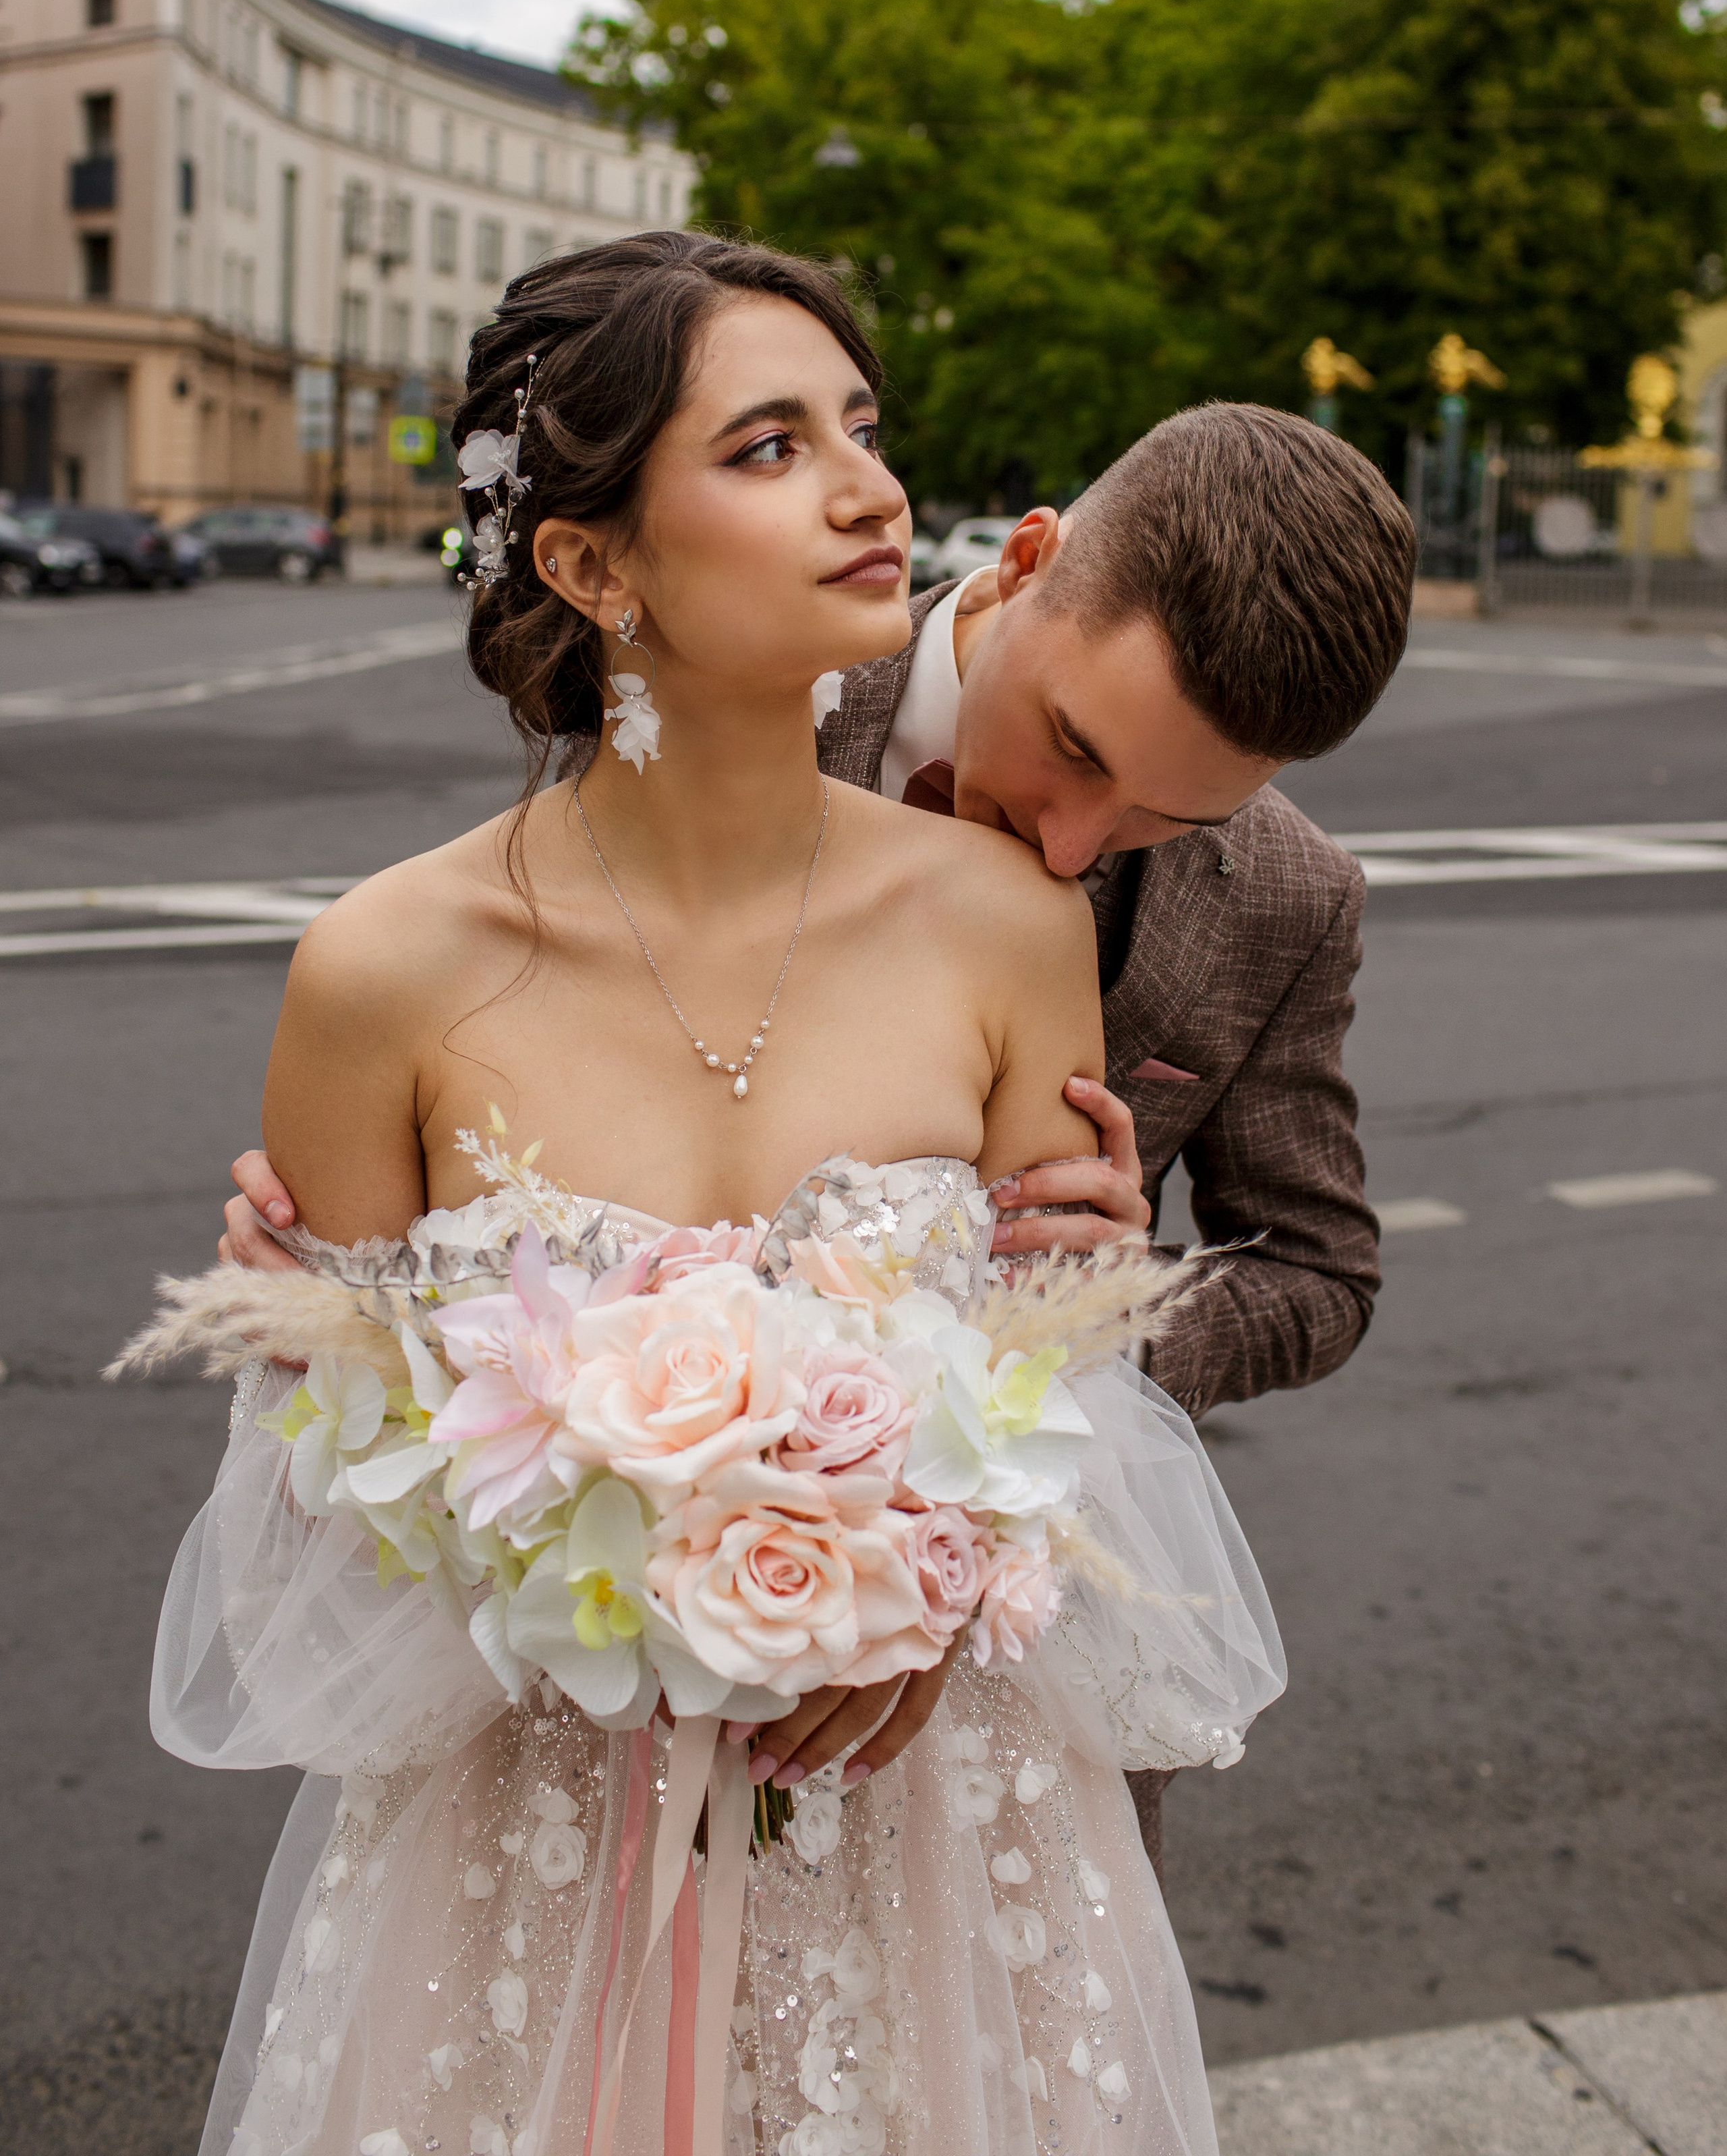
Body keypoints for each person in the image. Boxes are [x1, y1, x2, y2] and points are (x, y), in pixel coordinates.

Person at [145, 231, 1283, 2156]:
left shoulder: (1010, 925)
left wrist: (935, 1575)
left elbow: (1053, 1405)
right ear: (592, 566)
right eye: (768, 447)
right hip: (534, 1846)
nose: (868, 489)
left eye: (860, 426)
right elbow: (326, 1530)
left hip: (936, 1831)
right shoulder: (380, 972)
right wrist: (334, 1368)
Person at [225, 363, 1415, 1881]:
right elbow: (494, 1012)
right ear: (1027, 561)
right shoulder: (728, 654)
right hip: (588, 1681)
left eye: (1164, 823)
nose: (1071, 846)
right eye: (1074, 748)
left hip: (973, 1720)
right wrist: (376, 1264)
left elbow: (1320, 1276)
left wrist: (1094, 1329)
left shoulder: (1292, 900)